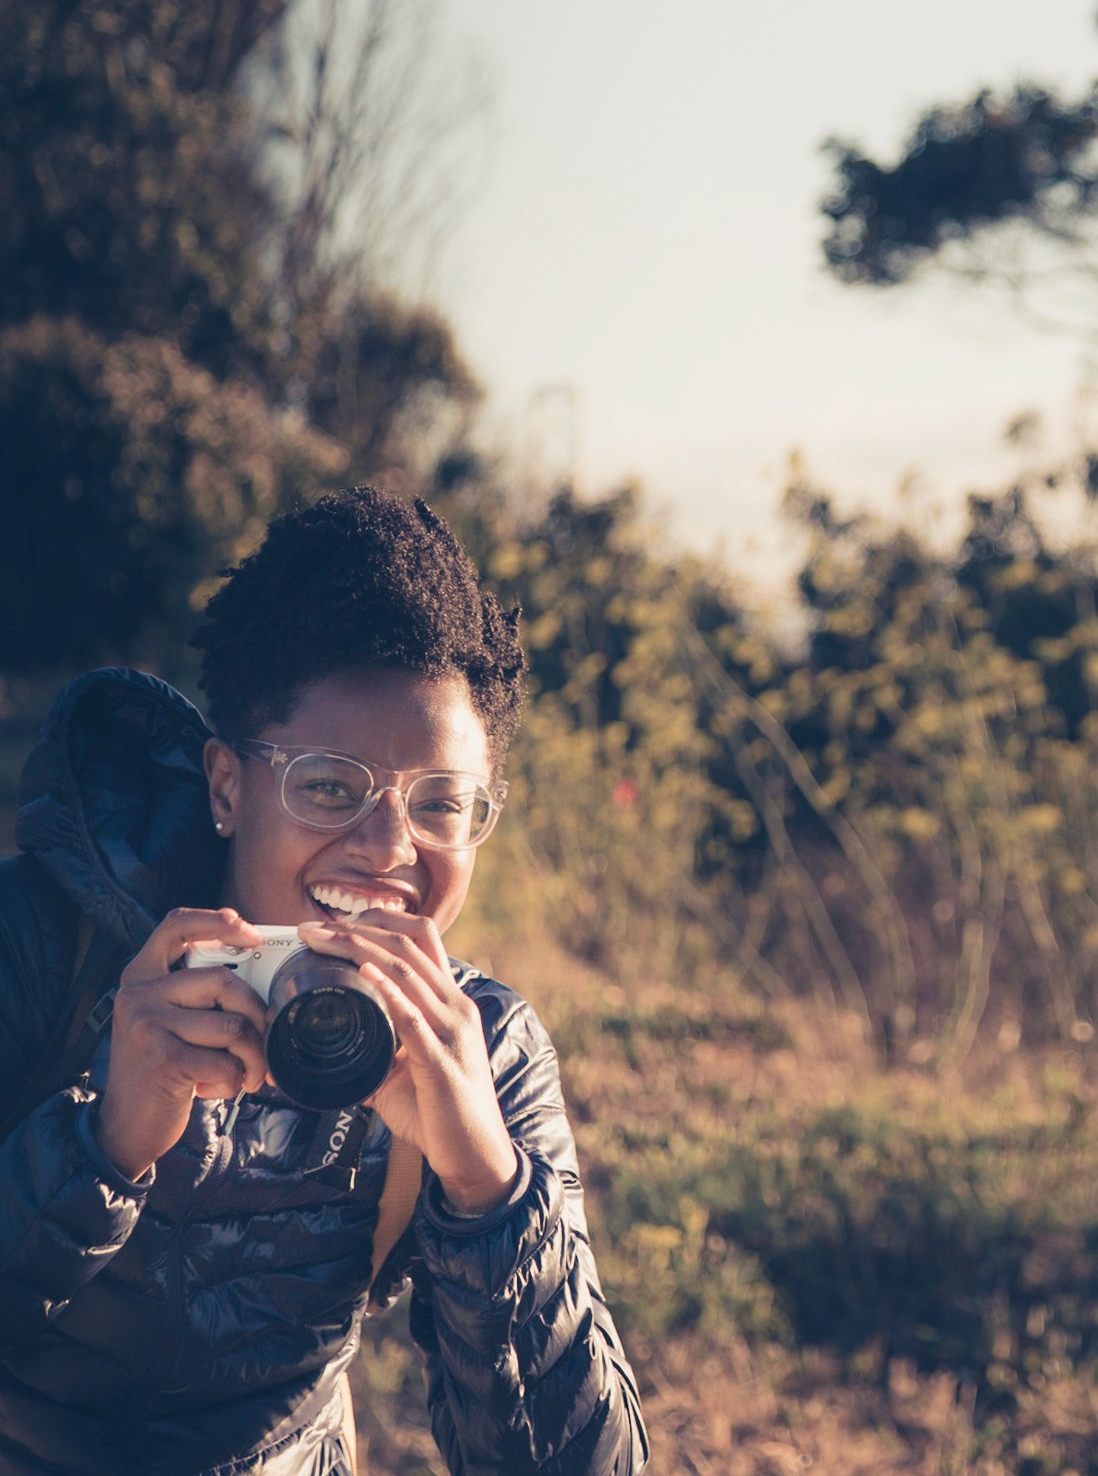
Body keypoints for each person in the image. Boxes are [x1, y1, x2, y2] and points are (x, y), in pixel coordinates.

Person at [0, 489, 649, 1474]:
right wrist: (102, 1143)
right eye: (330, 785)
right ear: (228, 786)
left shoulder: (482, 1043)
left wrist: (486, 1185)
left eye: (442, 803)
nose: (392, 848)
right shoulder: (43, 945)